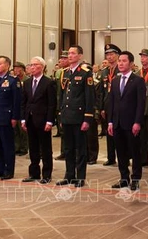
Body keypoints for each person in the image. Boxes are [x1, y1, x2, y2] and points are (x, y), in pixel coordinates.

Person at [56, 45, 94, 188]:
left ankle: (80, 176)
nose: (70, 56)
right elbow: (62, 96)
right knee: (68, 148)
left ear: (80, 56)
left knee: (80, 148)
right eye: (68, 54)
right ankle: (69, 175)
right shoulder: (64, 72)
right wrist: (60, 115)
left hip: (79, 116)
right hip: (67, 116)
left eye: (73, 53)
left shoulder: (85, 73)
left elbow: (89, 98)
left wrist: (87, 118)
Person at [108, 51, 146, 191]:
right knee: (121, 152)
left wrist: (137, 122)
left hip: (131, 123)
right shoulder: (115, 80)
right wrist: (110, 122)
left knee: (135, 152)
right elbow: (111, 102)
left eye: (124, 61)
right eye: (120, 61)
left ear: (131, 63)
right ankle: (124, 178)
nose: (121, 63)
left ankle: (135, 179)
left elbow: (141, 104)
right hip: (117, 122)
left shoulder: (138, 81)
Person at [21, 56, 57, 184]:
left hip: (43, 120)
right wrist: (23, 119)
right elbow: (24, 102)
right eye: (31, 65)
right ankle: (34, 173)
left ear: (42, 67)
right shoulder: (26, 83)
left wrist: (50, 121)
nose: (32, 67)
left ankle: (47, 174)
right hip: (30, 119)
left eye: (35, 65)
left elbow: (52, 104)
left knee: (46, 148)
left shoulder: (49, 82)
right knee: (33, 148)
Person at [0, 56, 21, 180]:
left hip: (6, 117)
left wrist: (14, 117)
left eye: (0, 64)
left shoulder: (13, 80)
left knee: (7, 145)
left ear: (7, 65)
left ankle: (9, 170)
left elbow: (16, 101)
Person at [99, 44, 121, 166]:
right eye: (107, 54)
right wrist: (102, 107)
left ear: (117, 55)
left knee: (120, 133)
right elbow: (101, 92)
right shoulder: (104, 72)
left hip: (119, 106)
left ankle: (123, 157)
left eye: (112, 54)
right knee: (109, 133)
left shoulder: (121, 70)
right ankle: (111, 157)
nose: (109, 57)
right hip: (108, 106)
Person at [13, 61, 29, 156]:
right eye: (14, 69)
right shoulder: (14, 80)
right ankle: (17, 147)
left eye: (18, 68)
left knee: (23, 129)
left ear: (22, 69)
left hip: (24, 107)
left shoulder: (27, 80)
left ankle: (24, 148)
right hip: (16, 107)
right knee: (15, 130)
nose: (16, 70)